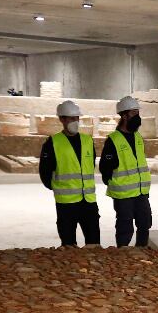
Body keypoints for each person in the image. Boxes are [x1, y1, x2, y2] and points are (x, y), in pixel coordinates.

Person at [37, 100, 100, 246]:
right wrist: (58, 187)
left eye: (77, 118)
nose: (75, 122)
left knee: (94, 244)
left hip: (88, 201)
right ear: (62, 119)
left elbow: (91, 164)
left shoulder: (87, 140)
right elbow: (45, 172)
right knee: (68, 245)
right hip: (66, 203)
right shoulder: (52, 143)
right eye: (71, 118)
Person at [100, 95, 153, 247]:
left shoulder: (138, 137)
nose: (138, 117)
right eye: (134, 113)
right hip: (124, 194)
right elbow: (105, 168)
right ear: (124, 115)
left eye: (138, 113)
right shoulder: (114, 140)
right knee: (125, 227)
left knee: (145, 223)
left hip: (141, 192)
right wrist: (115, 183)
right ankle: (122, 256)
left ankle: (141, 251)